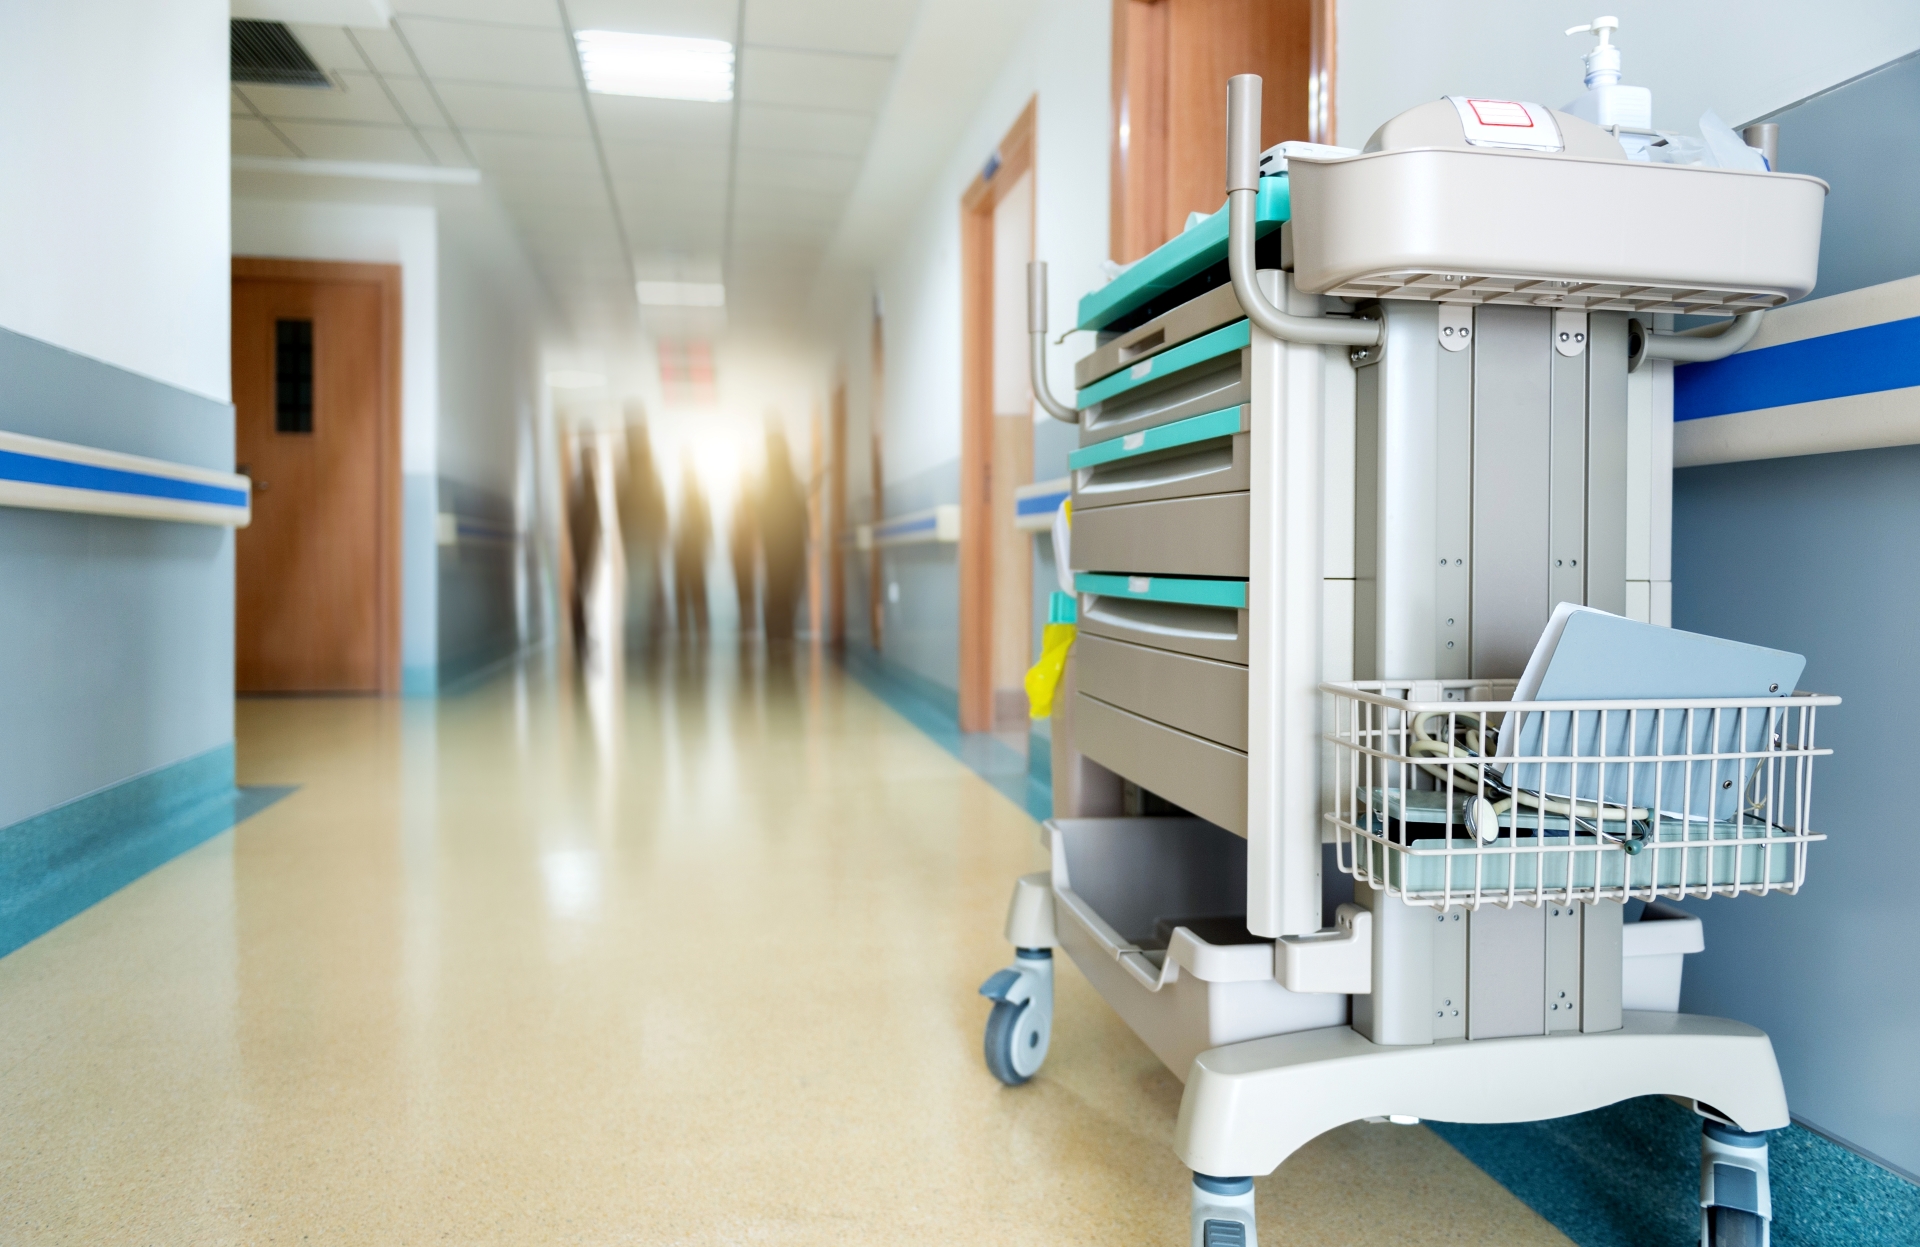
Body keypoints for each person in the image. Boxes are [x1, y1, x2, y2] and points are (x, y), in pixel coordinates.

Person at [619, 411, 669, 643]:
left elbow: (657, 504)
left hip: (641, 534)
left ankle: (641, 633)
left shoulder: (637, 466)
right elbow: (658, 504)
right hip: (641, 535)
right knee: (644, 586)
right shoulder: (639, 467)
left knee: (643, 587)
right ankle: (643, 632)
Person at [759, 422, 809, 641]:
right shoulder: (769, 479)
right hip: (777, 547)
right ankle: (777, 637)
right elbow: (762, 514)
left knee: (786, 592)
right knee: (778, 592)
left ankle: (782, 636)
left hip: (790, 545)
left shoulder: (789, 477)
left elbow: (801, 509)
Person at [674, 453, 711, 635]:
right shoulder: (683, 497)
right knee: (684, 594)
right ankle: (686, 630)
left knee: (696, 594)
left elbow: (706, 528)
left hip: (693, 553)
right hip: (684, 552)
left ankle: (700, 630)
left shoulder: (698, 499)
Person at [728, 472, 760, 635]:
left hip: (747, 551)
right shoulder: (738, 502)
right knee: (741, 585)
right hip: (738, 550)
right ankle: (744, 619)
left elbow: (755, 528)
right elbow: (732, 526)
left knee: (748, 586)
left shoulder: (752, 500)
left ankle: (750, 622)